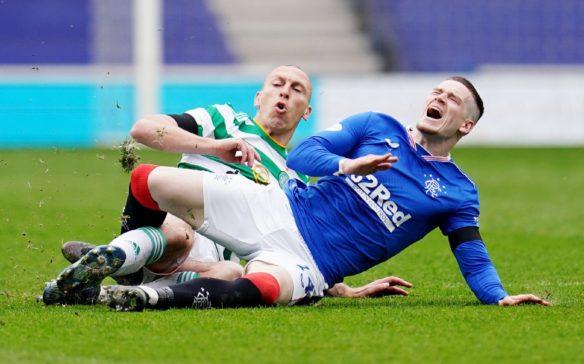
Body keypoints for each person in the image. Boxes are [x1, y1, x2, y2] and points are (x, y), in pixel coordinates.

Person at [97, 76, 551, 311]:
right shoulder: (377, 126)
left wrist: (497, 296)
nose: (440, 98)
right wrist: (347, 165)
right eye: (438, 91)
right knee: (149, 181)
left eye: (452, 99)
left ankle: (149, 297)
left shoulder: (457, 192)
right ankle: (129, 266)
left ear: (465, 125)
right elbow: (304, 156)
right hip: (276, 208)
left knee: (262, 289)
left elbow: (471, 252)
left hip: (312, 264)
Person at [42, 65, 410, 306]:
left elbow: (297, 251)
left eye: (296, 89)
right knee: (181, 234)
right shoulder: (226, 121)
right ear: (258, 97)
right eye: (277, 84)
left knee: (233, 275)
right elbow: (142, 130)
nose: (284, 93)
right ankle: (127, 261)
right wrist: (211, 147)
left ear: (307, 110)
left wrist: (346, 290)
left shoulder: (294, 179)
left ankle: (111, 282)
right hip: (169, 227)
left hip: (207, 267)